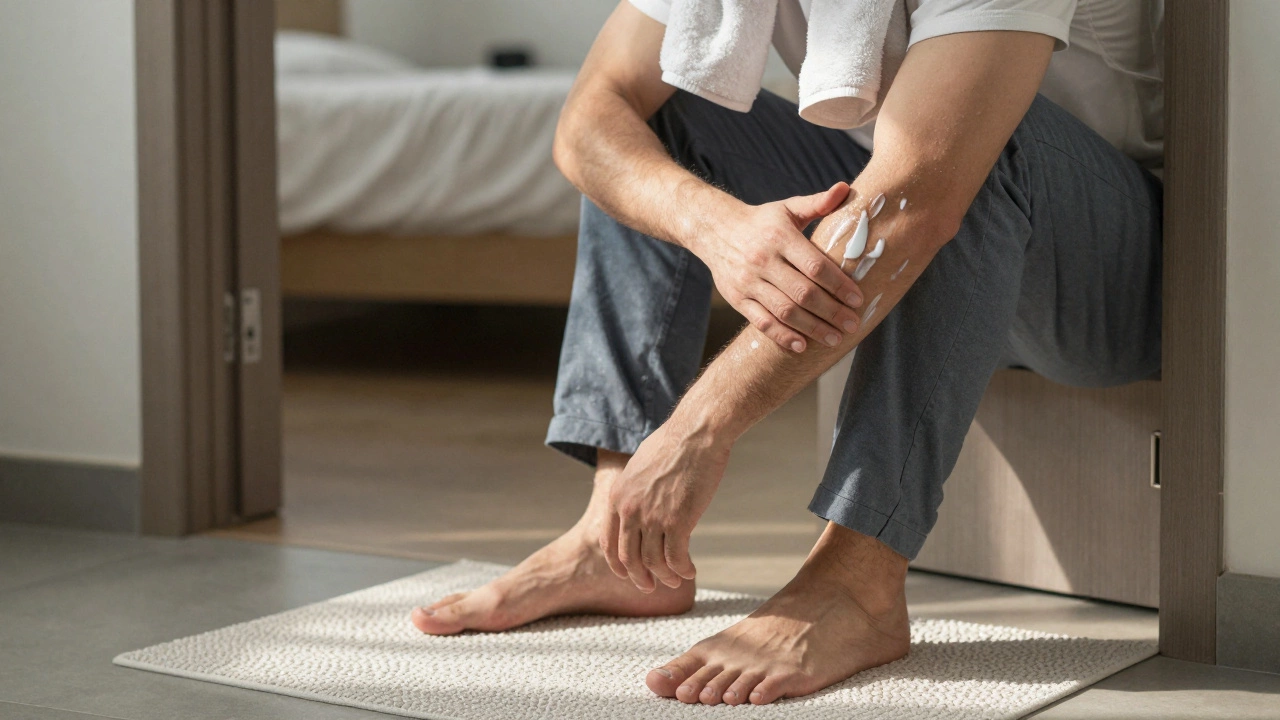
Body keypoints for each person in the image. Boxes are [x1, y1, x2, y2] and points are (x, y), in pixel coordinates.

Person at [413, 0, 1164, 706]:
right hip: (945, 221)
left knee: (972, 138)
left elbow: (921, 191)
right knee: (660, 125)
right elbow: (590, 118)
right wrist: (715, 226)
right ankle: (619, 540)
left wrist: (698, 428)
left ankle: (856, 580)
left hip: (1112, 277)